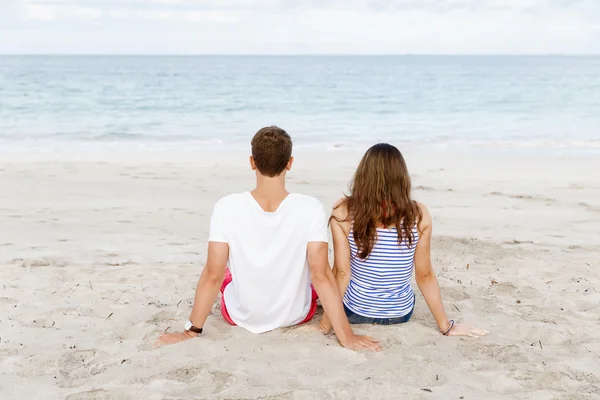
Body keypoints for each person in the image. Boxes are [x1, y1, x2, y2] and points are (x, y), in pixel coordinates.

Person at [157, 126, 380, 351]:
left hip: (241, 317)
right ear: (290, 163)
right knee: (313, 274)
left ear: (252, 162)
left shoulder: (226, 207)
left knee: (224, 272)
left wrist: (191, 331)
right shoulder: (310, 207)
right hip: (296, 315)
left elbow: (212, 275)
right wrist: (347, 336)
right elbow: (320, 275)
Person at [318, 143, 487, 337]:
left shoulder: (343, 212)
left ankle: (326, 302)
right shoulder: (419, 215)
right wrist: (445, 326)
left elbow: (342, 273)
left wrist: (324, 325)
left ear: (363, 176)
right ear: (402, 178)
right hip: (400, 314)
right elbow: (424, 276)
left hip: (355, 311)